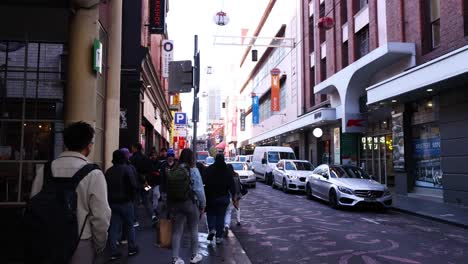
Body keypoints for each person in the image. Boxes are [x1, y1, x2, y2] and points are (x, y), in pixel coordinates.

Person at [30, 121, 111, 264]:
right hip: (80, 241)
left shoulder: (45, 169)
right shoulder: (94, 174)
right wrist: (99, 245)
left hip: (46, 237)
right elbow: (101, 217)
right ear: (88, 146)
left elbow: (34, 202)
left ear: (66, 143)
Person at [168, 148, 206, 264]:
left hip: (177, 203)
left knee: (177, 231)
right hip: (190, 203)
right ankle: (194, 255)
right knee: (194, 229)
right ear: (191, 158)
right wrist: (203, 204)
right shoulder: (193, 170)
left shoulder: (175, 169)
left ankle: (175, 258)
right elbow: (199, 189)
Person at [105, 150, 139, 261]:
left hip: (112, 202)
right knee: (129, 225)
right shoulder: (127, 169)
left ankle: (113, 251)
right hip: (125, 201)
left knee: (113, 227)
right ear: (124, 158)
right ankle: (132, 247)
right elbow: (133, 185)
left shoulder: (108, 171)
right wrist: (132, 198)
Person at [203, 154, 236, 244]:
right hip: (223, 197)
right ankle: (218, 237)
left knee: (210, 214)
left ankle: (212, 229)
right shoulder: (227, 170)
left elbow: (203, 181)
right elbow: (231, 185)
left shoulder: (209, 169)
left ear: (215, 159)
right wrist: (234, 196)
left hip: (211, 197)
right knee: (221, 216)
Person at [130, 143, 155, 226]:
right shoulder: (146, 158)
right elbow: (151, 170)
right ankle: (153, 215)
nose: (132, 149)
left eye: (132, 147)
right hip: (145, 182)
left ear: (136, 148)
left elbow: (131, 172)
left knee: (135, 202)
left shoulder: (132, 158)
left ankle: (135, 220)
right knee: (146, 200)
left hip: (136, 182)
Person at [224, 164, 242, 236]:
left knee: (227, 210)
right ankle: (238, 220)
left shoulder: (226, 176)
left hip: (227, 194)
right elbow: (238, 184)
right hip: (235, 193)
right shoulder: (236, 174)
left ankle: (226, 225)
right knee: (237, 207)